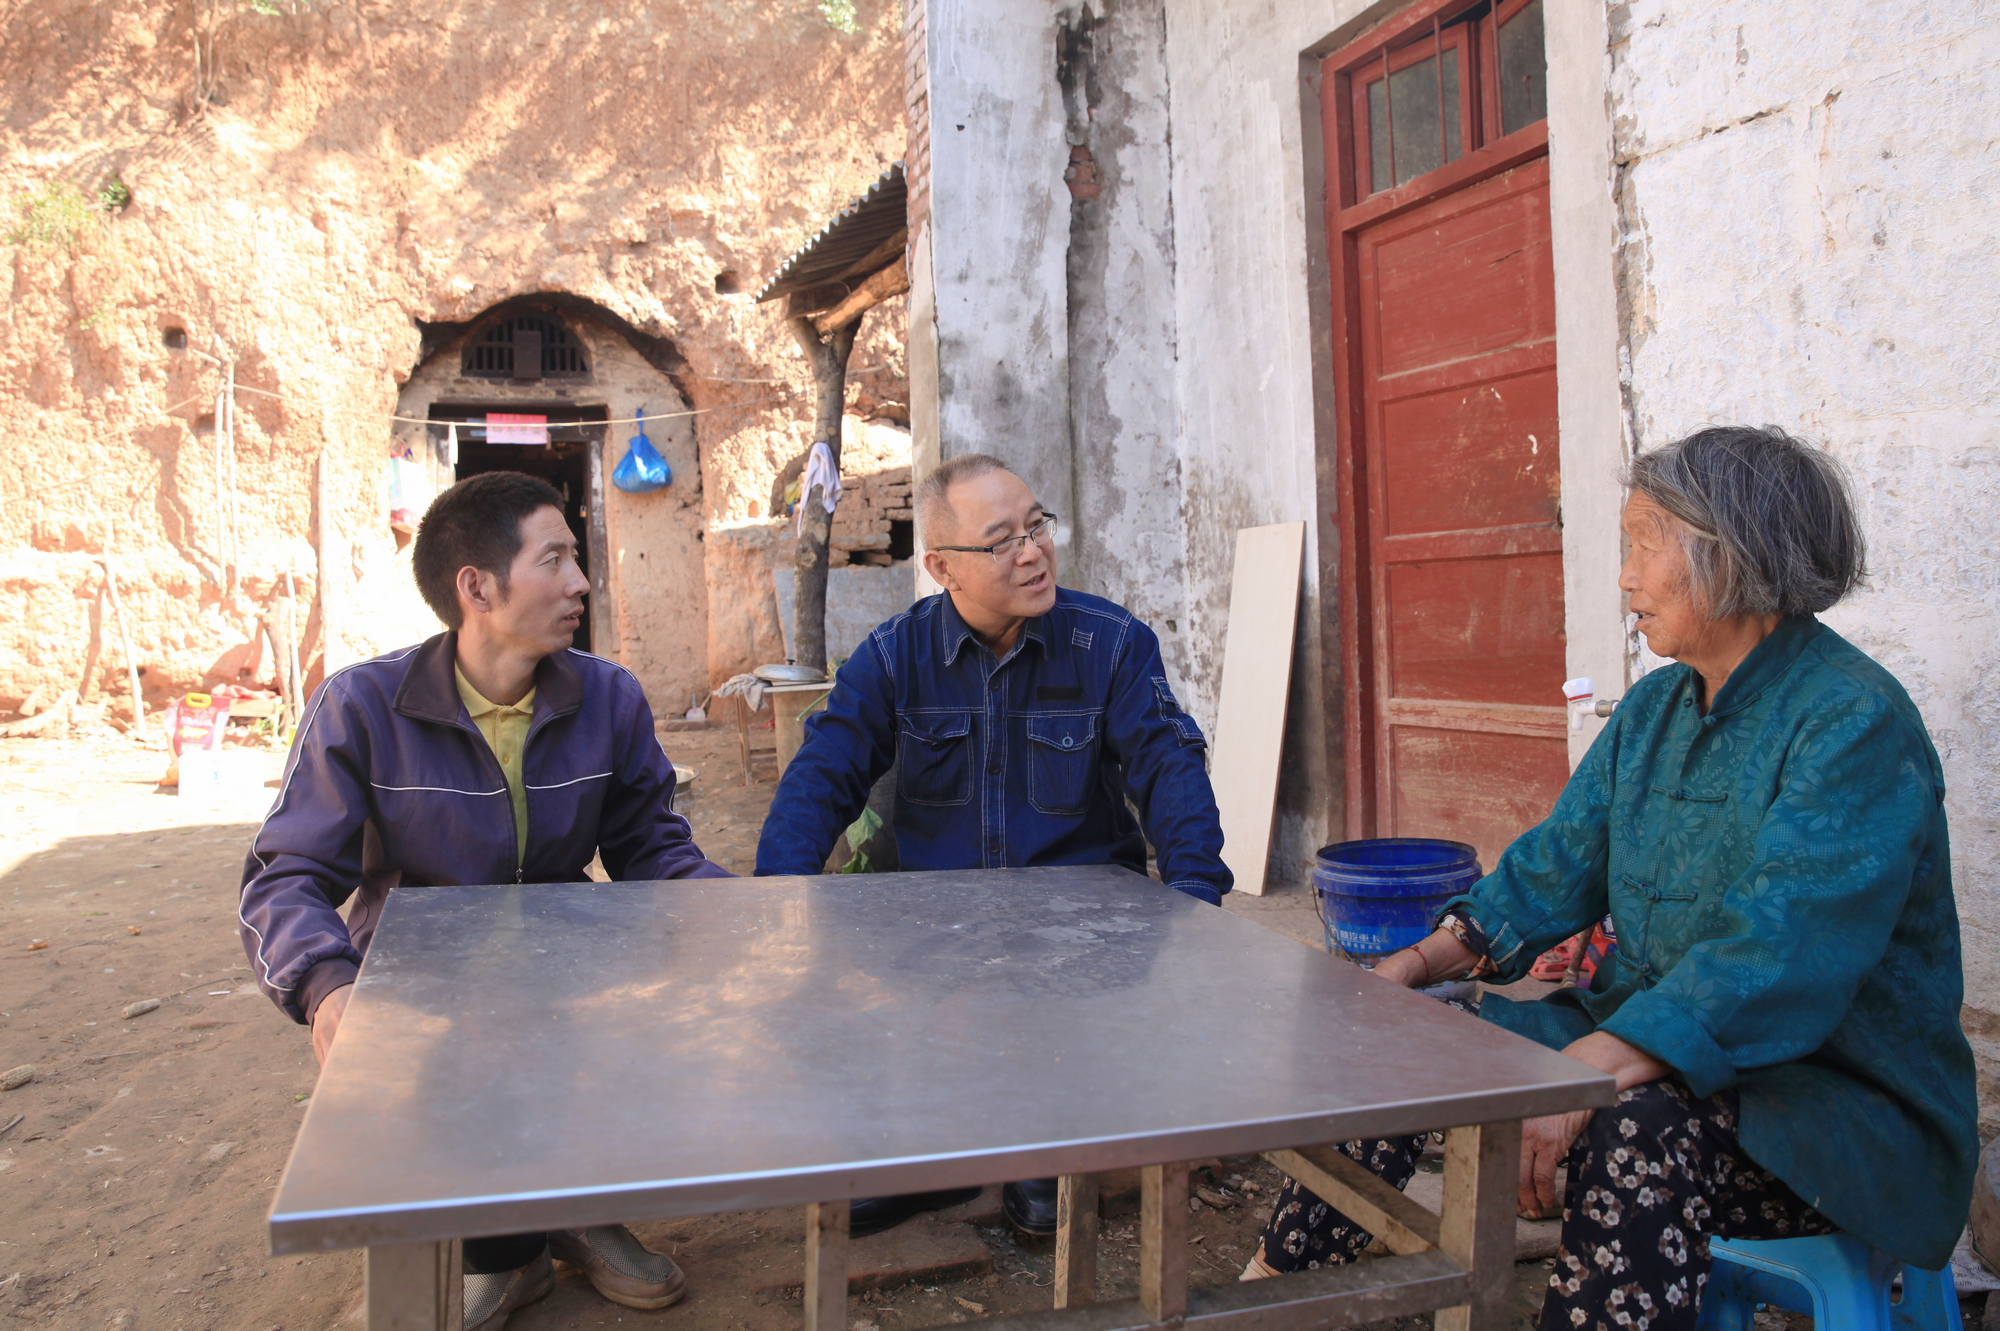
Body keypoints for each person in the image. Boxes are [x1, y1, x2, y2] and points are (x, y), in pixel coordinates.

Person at [1245, 426, 1977, 1329]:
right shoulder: (1655, 709)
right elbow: (1555, 864)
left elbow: (1783, 951)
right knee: (1409, 1046)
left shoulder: (1853, 722)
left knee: (1635, 1130)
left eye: (1641, 544)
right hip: (1659, 1055)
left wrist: (1590, 1067)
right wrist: (1416, 967)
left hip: (1835, 1104)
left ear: (1730, 556)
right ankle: (1263, 1295)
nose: (1624, 578)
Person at [238, 471, 731, 1331]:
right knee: (459, 1101)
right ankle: (500, 1255)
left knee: (624, 1036)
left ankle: (568, 1205)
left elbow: (651, 845)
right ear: (477, 586)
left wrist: (737, 918)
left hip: (565, 965)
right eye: (557, 559)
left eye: (577, 559)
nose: (581, 582)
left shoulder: (606, 696)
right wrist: (327, 984)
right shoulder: (361, 706)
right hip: (421, 984)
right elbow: (285, 874)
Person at [756, 452, 1232, 1237]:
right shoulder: (893, 655)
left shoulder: (1111, 645)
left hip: (1076, 930)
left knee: (1049, 1020)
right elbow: (823, 774)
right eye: (1003, 539)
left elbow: (1170, 773)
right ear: (942, 566)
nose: (1034, 551)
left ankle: (1041, 1147)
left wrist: (1196, 910)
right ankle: (925, 1153)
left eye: (1038, 526)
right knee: (847, 988)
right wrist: (776, 904)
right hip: (935, 926)